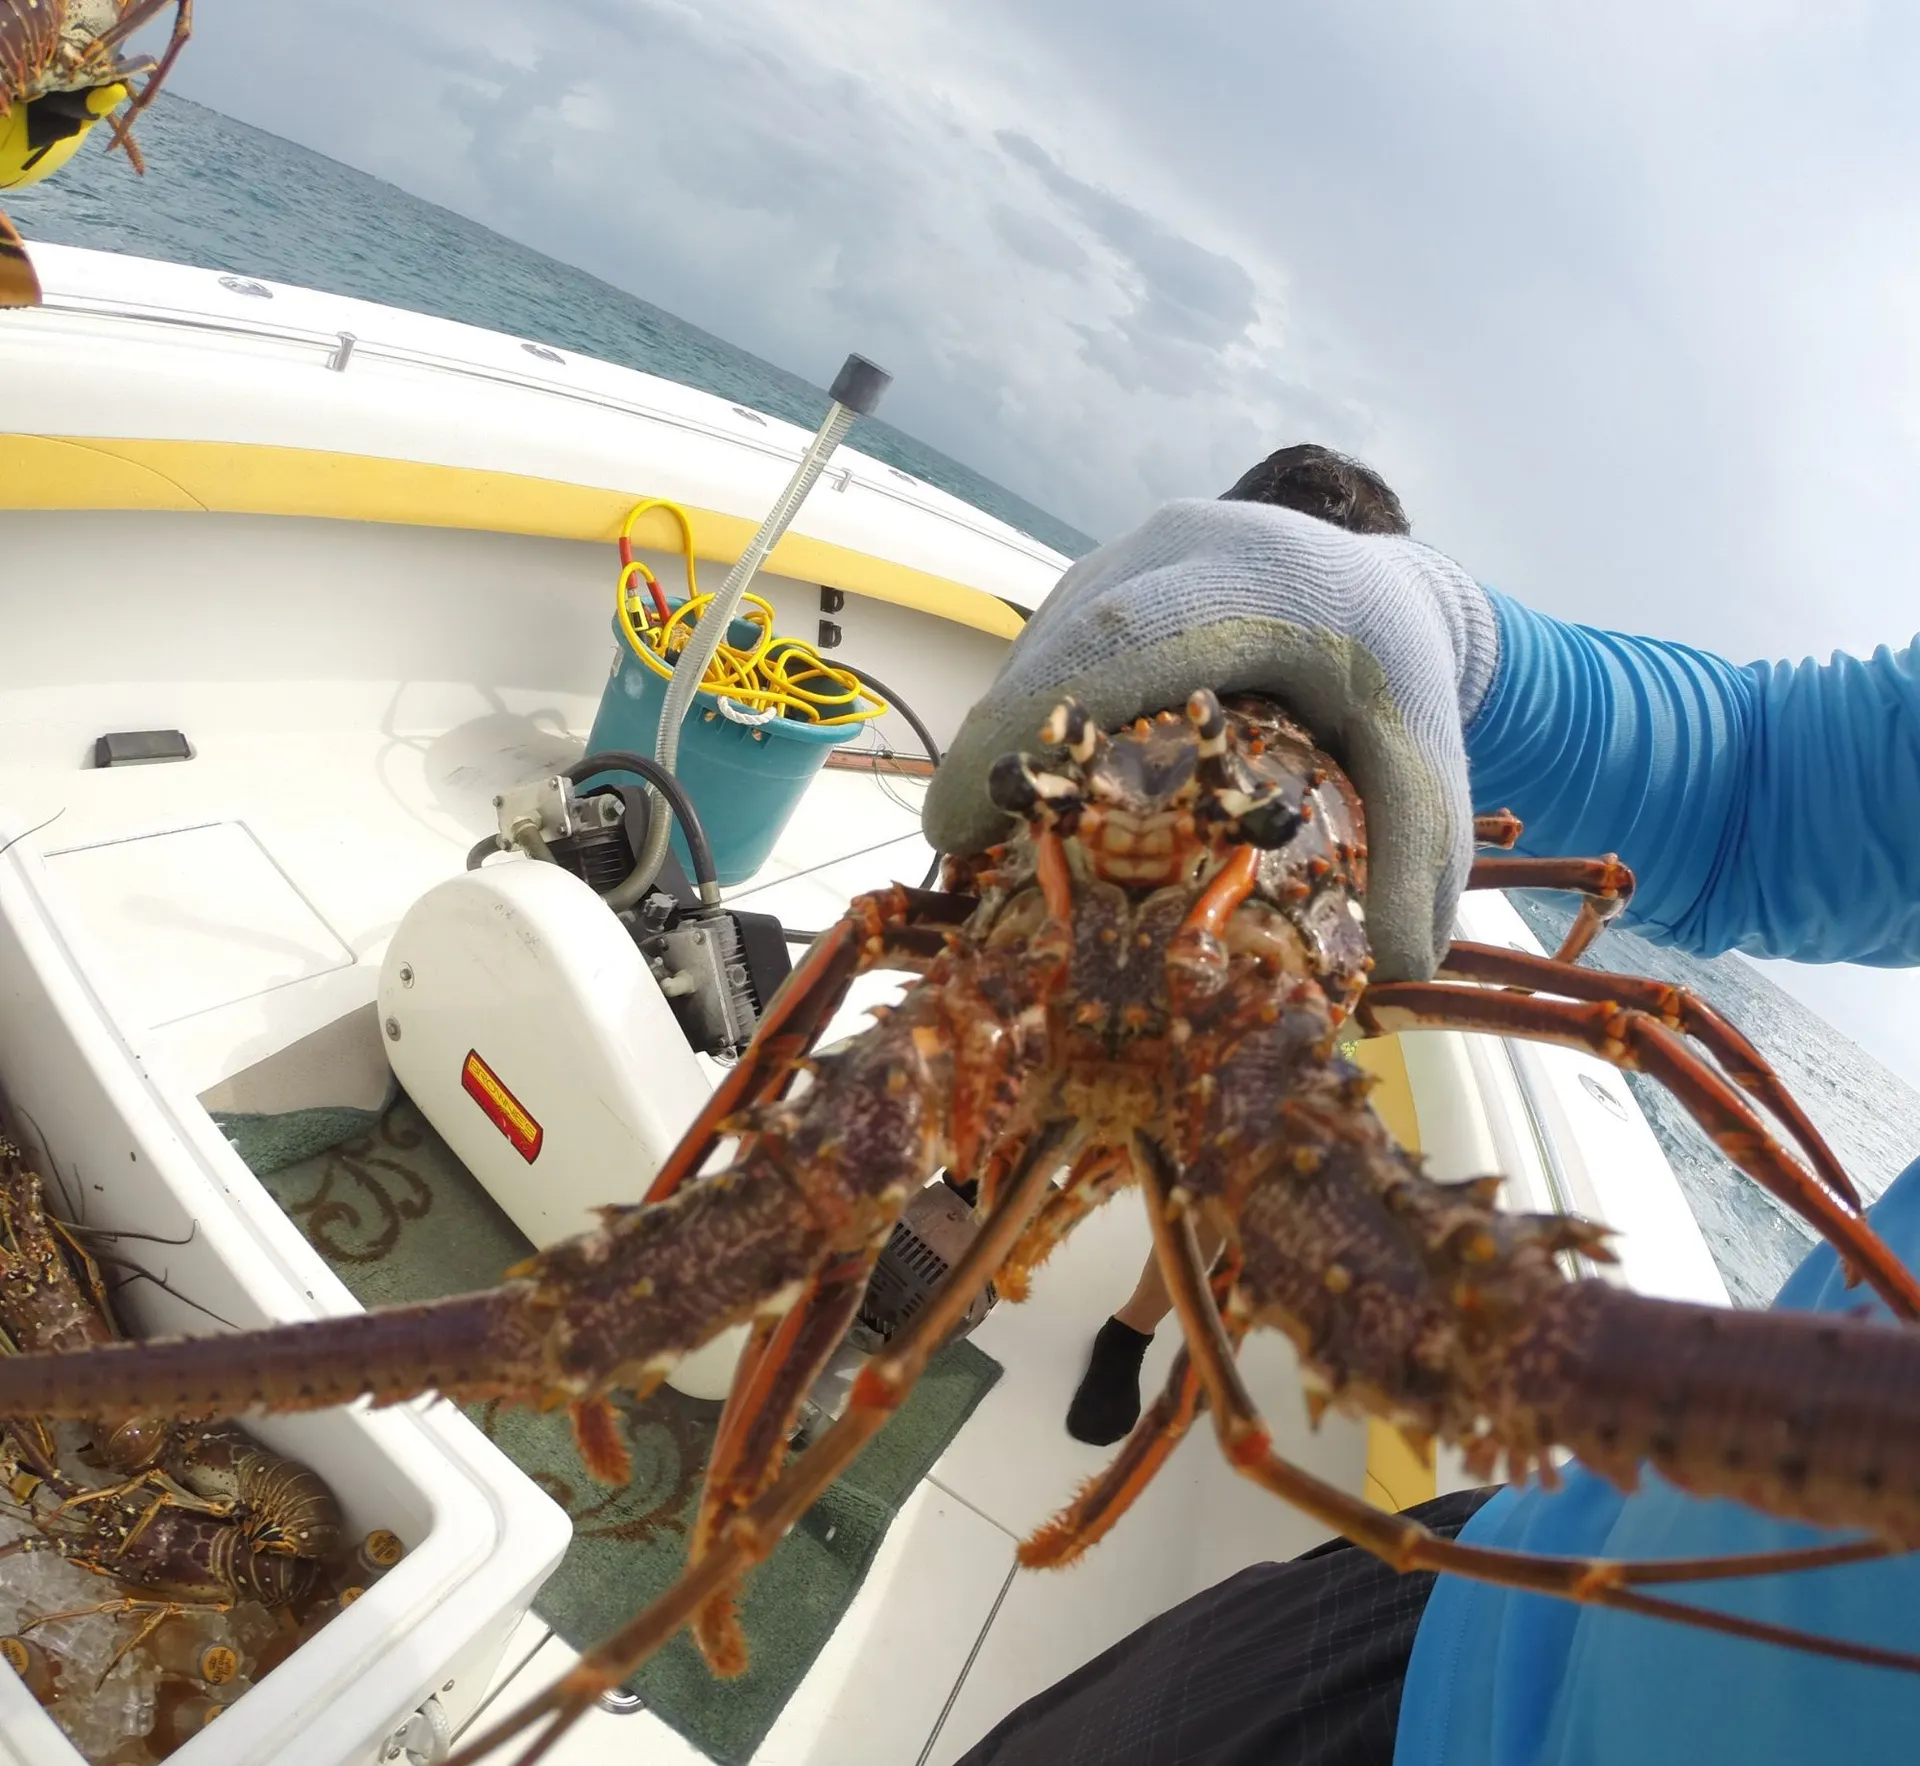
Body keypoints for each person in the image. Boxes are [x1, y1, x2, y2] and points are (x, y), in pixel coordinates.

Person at [919, 458, 1920, 1765]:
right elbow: (1763, 786)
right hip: (1507, 1607)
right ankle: (986, 1233)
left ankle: (1125, 1338)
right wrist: (1453, 631)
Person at [1061, 446, 1415, 1447]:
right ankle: (963, 1193)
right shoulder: (1162, 636)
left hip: (1281, 930)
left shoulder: (1375, 705)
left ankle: (1133, 1328)